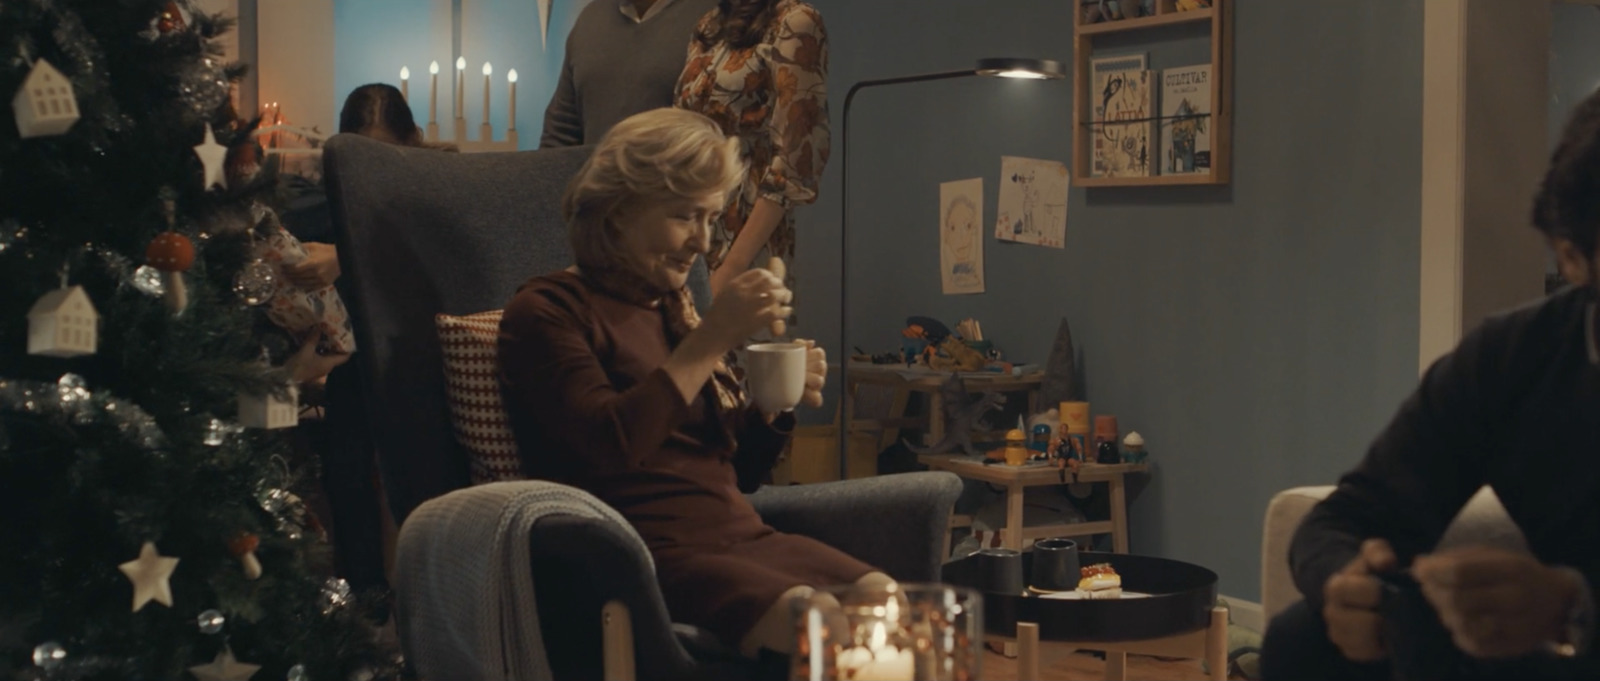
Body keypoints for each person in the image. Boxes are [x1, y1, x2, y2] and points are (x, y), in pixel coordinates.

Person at [499, 108, 892, 660]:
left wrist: (774, 404)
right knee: (817, 624)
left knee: (887, 606)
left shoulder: (673, 311)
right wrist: (711, 340)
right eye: (686, 216)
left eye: (711, 219)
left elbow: (743, 474)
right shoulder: (545, 313)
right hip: (640, 552)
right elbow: (606, 447)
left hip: (740, 535)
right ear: (617, 213)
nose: (703, 243)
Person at [1260, 88, 1600, 680]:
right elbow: (1347, 517)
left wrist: (1573, 603)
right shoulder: (1516, 357)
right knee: (1307, 639)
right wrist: (1346, 582)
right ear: (1571, 257)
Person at [675, 0, 829, 299]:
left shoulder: (796, 21)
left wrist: (730, 270)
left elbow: (794, 164)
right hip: (689, 221)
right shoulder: (709, 25)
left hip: (746, 231)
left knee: (737, 337)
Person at [540, 0, 719, 148]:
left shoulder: (718, 19)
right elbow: (560, 134)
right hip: (595, 188)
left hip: (679, 186)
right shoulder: (591, 18)